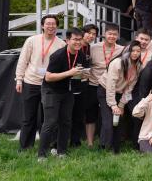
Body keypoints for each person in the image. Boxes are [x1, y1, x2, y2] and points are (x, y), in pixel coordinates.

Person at [15, 14, 66, 151]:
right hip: (31, 82)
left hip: (50, 85)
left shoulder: (61, 44)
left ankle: (49, 146)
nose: (51, 26)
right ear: (42, 26)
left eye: (53, 24)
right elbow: (22, 60)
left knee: (49, 119)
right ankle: (25, 146)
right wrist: (19, 79)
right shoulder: (32, 40)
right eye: (48, 24)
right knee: (28, 117)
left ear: (57, 26)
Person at [37, 28, 89, 160]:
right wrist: (70, 73)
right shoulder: (58, 55)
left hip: (68, 92)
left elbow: (79, 74)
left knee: (66, 122)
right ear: (67, 40)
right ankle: (42, 155)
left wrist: (84, 74)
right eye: (75, 39)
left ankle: (61, 152)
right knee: (50, 122)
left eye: (80, 39)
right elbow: (48, 77)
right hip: (51, 91)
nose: (78, 42)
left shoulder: (81, 55)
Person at [98, 40, 142, 153]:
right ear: (127, 50)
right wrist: (113, 105)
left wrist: (121, 105)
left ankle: (115, 148)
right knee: (108, 121)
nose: (136, 53)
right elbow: (110, 85)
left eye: (138, 51)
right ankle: (103, 146)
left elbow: (130, 88)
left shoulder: (138, 66)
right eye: (133, 50)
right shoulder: (117, 63)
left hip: (120, 93)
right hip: (105, 91)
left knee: (118, 120)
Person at [85, 24, 124, 147]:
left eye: (114, 34)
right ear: (104, 34)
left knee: (108, 115)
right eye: (109, 34)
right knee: (91, 114)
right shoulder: (93, 48)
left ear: (118, 36)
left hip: (110, 87)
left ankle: (110, 140)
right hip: (93, 84)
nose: (112, 36)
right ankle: (90, 142)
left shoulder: (122, 49)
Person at [70, 24, 98, 147]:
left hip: (84, 84)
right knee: (69, 113)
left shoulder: (90, 48)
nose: (91, 36)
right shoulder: (74, 47)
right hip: (70, 84)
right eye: (89, 33)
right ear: (82, 33)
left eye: (94, 34)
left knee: (79, 113)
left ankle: (76, 140)